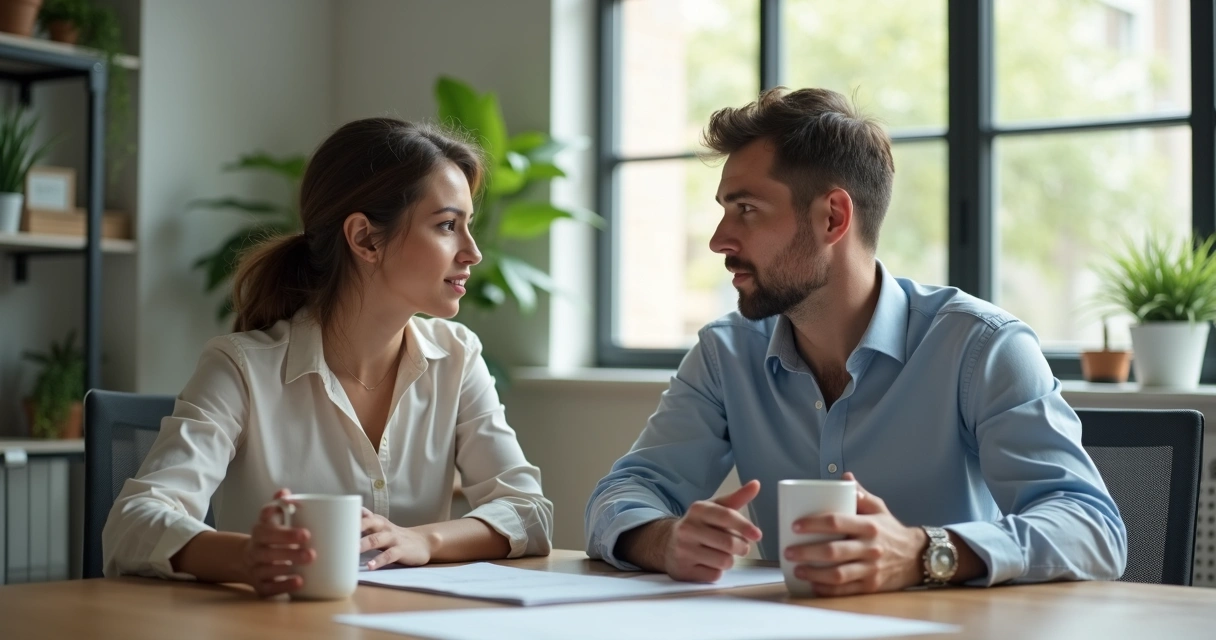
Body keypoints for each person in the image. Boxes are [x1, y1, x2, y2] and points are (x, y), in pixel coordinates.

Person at [585, 87, 1126, 595]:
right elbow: (622, 494)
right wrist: (665, 540)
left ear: (833, 217)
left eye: (746, 209)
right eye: (724, 210)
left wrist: (923, 552)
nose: (718, 240)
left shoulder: (981, 347)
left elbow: (1092, 527)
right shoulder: (726, 353)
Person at [104, 118, 553, 596]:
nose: (473, 252)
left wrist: (423, 540)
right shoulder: (241, 368)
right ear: (364, 238)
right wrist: (247, 556)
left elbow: (528, 511)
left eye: (467, 226)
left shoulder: (457, 358)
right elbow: (133, 522)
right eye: (447, 225)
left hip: (412, 624)